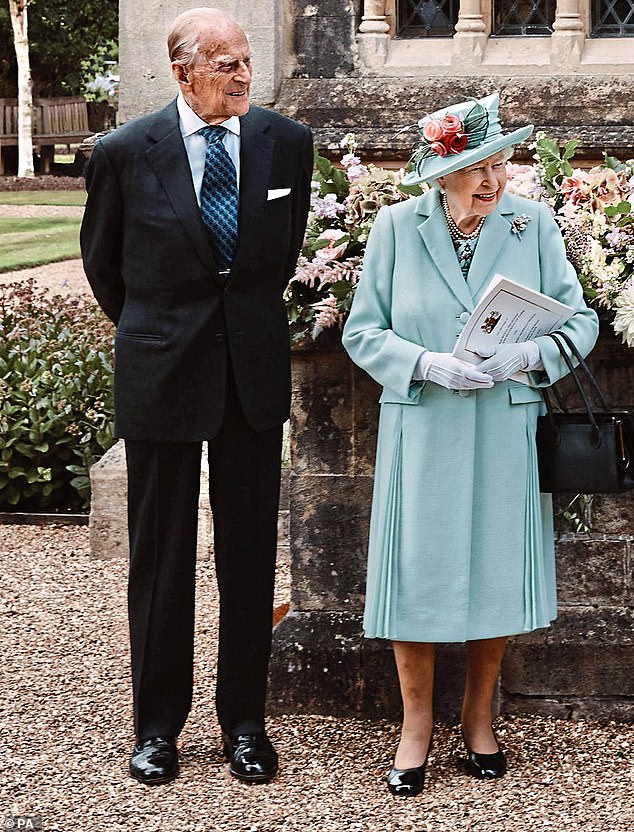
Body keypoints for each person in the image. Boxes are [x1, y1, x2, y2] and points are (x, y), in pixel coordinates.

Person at [342, 92, 598, 797]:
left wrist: (529, 356)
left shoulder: (533, 223)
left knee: (492, 570)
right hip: (421, 422)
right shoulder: (396, 227)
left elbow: (579, 325)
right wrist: (425, 364)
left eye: (501, 162)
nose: (494, 179)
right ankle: (415, 724)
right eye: (477, 167)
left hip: (503, 422)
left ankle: (478, 718)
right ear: (440, 173)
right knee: (414, 574)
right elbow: (362, 332)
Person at [80, 7, 312, 785]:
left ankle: (245, 723)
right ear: (182, 73)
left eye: (247, 60)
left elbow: (277, 259)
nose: (245, 75)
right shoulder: (121, 153)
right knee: (162, 558)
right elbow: (105, 270)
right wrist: (164, 334)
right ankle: (156, 730)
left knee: (248, 559)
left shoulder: (288, 144)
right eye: (226, 64)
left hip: (250, 377)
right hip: (161, 374)